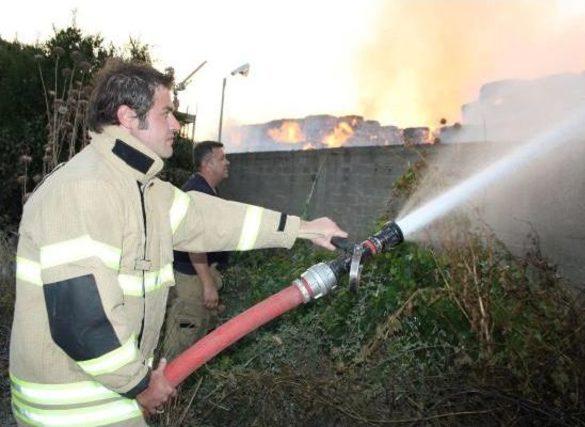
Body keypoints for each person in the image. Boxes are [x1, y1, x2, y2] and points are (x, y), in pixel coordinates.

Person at [9, 60, 346, 426]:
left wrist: (302, 228)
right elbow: (83, 317)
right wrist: (139, 384)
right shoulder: (84, 189)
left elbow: (211, 220)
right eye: (166, 112)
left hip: (107, 402)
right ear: (128, 116)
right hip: (71, 412)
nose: (175, 124)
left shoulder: (143, 190)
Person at [164, 141, 231, 360]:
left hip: (199, 277)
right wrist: (208, 284)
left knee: (198, 336)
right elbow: (195, 245)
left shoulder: (207, 190)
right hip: (193, 279)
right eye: (222, 158)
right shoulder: (197, 194)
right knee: (184, 341)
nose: (227, 162)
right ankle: (168, 386)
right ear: (207, 164)